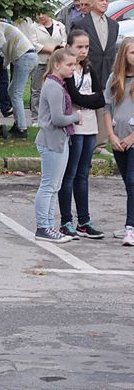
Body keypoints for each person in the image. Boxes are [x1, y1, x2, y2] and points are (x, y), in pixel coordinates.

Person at [58, 29, 106, 240]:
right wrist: (87, 99)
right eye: (79, 47)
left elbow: (100, 99)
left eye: (86, 47)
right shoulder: (69, 71)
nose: (83, 51)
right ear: (69, 47)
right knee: (70, 172)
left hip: (90, 127)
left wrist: (85, 100)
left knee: (83, 174)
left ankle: (84, 220)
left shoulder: (88, 69)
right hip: (75, 126)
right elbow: (74, 96)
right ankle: (66, 220)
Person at [33, 48, 82, 243]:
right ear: (56, 65)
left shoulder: (56, 85)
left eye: (74, 64)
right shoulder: (53, 86)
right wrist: (76, 117)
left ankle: (48, 226)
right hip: (52, 141)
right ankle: (43, 227)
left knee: (54, 186)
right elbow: (58, 118)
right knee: (49, 186)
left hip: (57, 141)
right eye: (69, 65)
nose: (73, 68)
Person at [73, 0, 119, 152]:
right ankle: (84, 139)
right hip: (88, 69)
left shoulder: (114, 25)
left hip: (107, 69)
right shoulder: (81, 24)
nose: (105, 3)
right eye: (101, 0)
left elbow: (110, 50)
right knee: (87, 104)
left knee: (105, 104)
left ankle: (100, 143)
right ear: (92, 2)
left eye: (107, 0)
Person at [0, 20, 38, 138]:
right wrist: (2, 67)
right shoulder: (5, 28)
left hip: (24, 58)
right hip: (30, 57)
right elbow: (7, 55)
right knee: (12, 91)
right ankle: (18, 124)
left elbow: (2, 41)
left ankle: (21, 129)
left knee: (16, 93)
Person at [103, 37, 134, 245]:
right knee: (128, 184)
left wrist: (132, 137)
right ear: (124, 54)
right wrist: (111, 135)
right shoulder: (115, 78)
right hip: (118, 138)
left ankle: (129, 228)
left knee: (133, 181)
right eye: (132, 52)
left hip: (132, 139)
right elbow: (107, 109)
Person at [25, 12, 67, 124]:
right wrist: (50, 50)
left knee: (58, 88)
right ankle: (36, 118)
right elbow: (34, 43)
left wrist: (58, 50)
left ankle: (56, 114)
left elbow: (64, 41)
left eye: (43, 13)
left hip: (57, 62)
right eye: (38, 14)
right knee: (36, 90)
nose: (41, 16)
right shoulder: (33, 27)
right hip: (40, 61)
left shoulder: (59, 26)